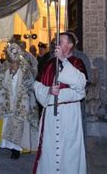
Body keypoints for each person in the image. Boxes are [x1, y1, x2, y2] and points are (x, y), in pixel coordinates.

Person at [33, 32, 87, 174]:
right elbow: (36, 86)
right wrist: (49, 90)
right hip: (50, 112)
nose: (56, 44)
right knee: (50, 149)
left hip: (69, 113)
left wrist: (63, 60)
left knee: (69, 150)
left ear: (69, 45)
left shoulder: (77, 62)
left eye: (61, 41)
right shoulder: (49, 63)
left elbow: (81, 85)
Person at [0, 40, 39, 159]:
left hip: (20, 101)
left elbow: (29, 86)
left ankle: (16, 148)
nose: (13, 61)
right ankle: (4, 143)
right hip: (6, 101)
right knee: (5, 122)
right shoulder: (4, 68)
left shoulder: (25, 69)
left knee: (18, 123)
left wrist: (23, 96)